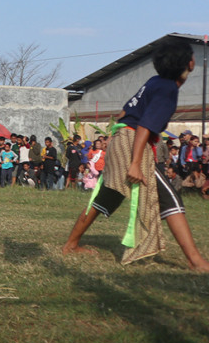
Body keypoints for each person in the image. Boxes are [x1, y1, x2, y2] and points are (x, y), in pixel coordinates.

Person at [63, 42, 209, 270]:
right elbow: (144, 126)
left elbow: (125, 112)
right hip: (132, 143)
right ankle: (195, 261)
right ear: (189, 63)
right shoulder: (168, 89)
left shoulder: (154, 81)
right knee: (170, 198)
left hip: (121, 138)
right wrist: (135, 163)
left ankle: (71, 245)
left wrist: (116, 140)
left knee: (107, 196)